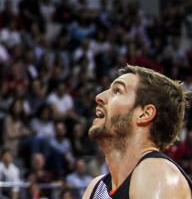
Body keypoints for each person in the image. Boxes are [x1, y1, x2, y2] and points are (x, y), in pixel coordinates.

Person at [80, 65, 192, 199]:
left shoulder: (157, 174)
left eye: (117, 91)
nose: (99, 96)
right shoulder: (96, 187)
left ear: (145, 114)